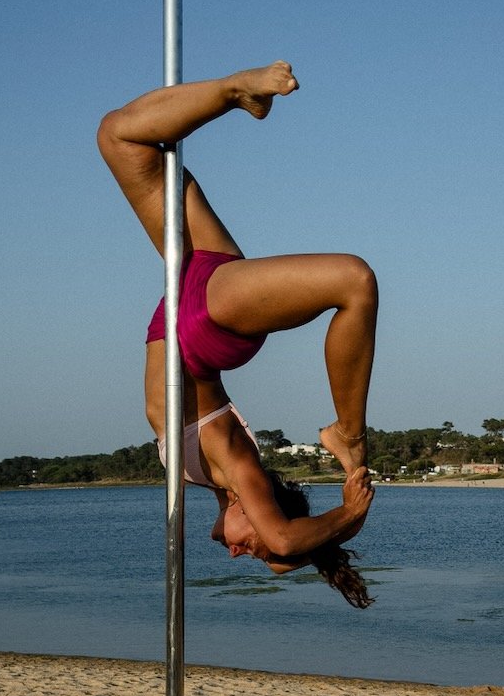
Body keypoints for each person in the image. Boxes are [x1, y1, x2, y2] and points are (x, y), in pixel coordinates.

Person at [97, 61, 378, 607]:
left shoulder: (215, 482)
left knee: (121, 136)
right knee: (355, 281)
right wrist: (347, 516)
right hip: (206, 324)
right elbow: (279, 541)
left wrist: (292, 553)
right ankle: (349, 433)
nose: (234, 552)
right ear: (262, 508)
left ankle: (237, 95)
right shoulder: (242, 470)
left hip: (193, 292)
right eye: (244, 549)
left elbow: (278, 550)